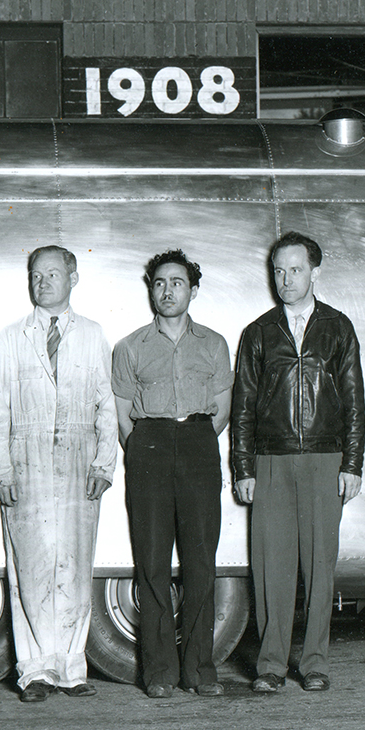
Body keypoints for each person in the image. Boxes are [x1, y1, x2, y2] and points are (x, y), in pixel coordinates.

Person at [230, 231, 364, 694]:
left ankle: (315, 663)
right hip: (271, 460)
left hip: (325, 460)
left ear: (314, 272)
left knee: (320, 566)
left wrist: (353, 463)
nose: (286, 280)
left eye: (295, 270)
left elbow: (353, 400)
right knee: (272, 567)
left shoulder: (338, 328)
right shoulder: (259, 332)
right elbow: (243, 406)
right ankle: (270, 665)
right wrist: (243, 468)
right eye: (279, 271)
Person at [0, 245, 119, 702]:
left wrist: (104, 463)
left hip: (80, 461)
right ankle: (34, 670)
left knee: (75, 566)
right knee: (30, 568)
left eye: (52, 274)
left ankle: (71, 667)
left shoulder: (93, 335)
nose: (42, 283)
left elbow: (107, 405)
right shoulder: (12, 337)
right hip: (27, 460)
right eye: (35, 275)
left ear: (73, 278)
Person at [111, 249, 234, 699]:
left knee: (201, 561)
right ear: (151, 289)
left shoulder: (214, 344)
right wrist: (149, 445)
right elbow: (123, 418)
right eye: (160, 283)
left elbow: (222, 410)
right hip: (149, 447)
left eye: (177, 282)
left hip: (199, 443)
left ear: (193, 290)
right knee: (152, 560)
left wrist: (193, 437)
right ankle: (159, 671)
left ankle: (200, 669)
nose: (167, 290)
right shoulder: (129, 348)